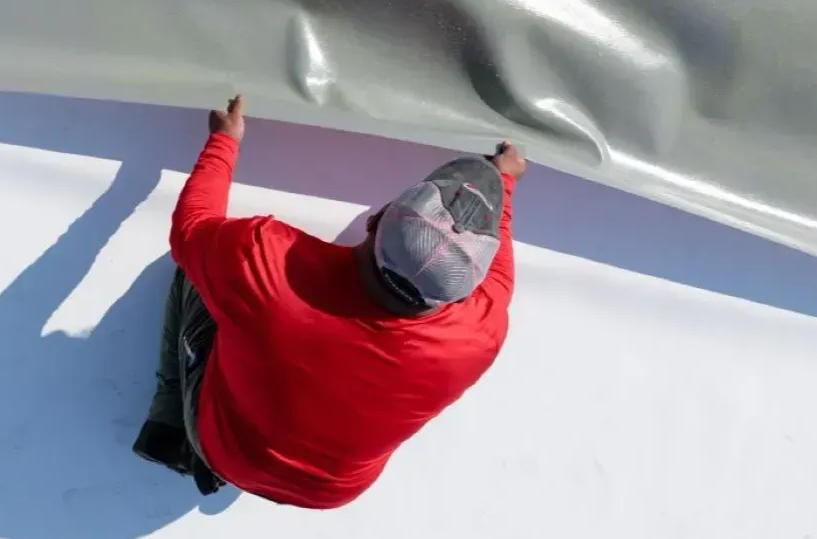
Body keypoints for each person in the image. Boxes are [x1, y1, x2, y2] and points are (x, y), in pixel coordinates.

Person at [133, 94, 525, 508]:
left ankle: (171, 426)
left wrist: (224, 141)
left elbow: (191, 228)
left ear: (377, 218)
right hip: (330, 493)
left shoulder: (266, 262)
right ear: (471, 286)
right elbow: (499, 273)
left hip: (226, 452)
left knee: (196, 269)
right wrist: (503, 182)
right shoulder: (481, 335)